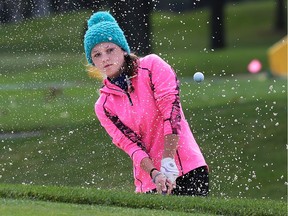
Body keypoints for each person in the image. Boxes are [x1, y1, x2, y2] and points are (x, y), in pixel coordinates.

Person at [83, 11, 209, 196]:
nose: (105, 59)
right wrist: (155, 173)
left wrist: (167, 160)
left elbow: (171, 114)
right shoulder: (103, 105)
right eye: (97, 55)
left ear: (123, 49)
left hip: (188, 168)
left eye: (110, 50)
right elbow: (131, 145)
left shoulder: (151, 66)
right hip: (151, 182)